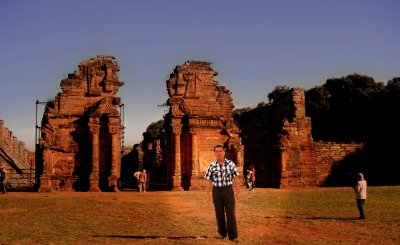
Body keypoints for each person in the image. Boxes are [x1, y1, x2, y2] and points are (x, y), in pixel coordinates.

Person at [204, 145, 240, 242]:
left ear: (224, 152)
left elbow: (236, 178)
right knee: (219, 213)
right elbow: (208, 180)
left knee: (230, 213)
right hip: (216, 191)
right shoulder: (212, 166)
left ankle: (233, 236)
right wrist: (207, 194)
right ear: (214, 153)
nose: (219, 153)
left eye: (220, 151)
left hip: (228, 190)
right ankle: (222, 233)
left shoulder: (231, 164)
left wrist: (237, 192)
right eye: (217, 151)